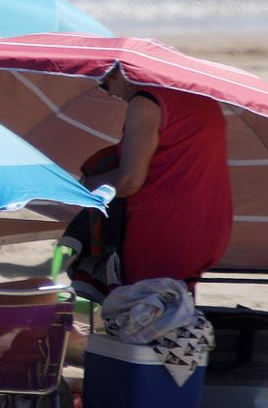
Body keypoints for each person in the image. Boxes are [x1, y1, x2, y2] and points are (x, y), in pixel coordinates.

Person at [84, 68, 233, 288]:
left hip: (164, 226)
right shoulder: (201, 97)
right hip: (210, 223)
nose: (108, 92)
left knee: (143, 302)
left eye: (104, 84)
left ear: (118, 74)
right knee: (174, 302)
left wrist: (85, 186)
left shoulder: (145, 103)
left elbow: (129, 181)